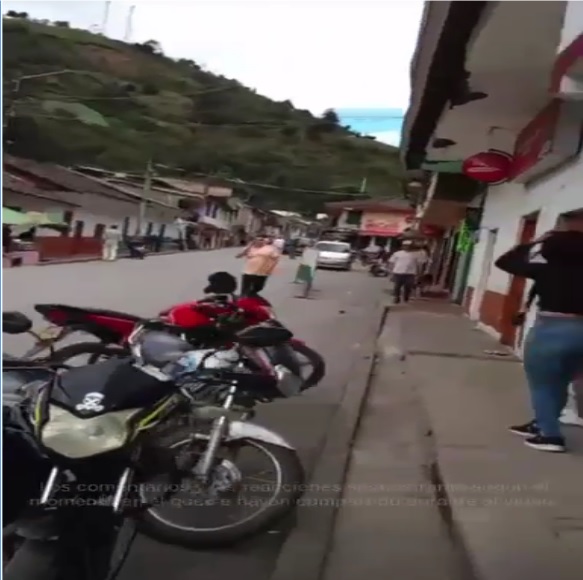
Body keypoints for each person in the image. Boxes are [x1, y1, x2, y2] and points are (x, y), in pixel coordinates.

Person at [495, 213, 583, 452]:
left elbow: (505, 261)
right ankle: (541, 423)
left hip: (552, 328)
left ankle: (550, 435)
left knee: (543, 383)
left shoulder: (546, 267)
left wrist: (536, 241)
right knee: (561, 381)